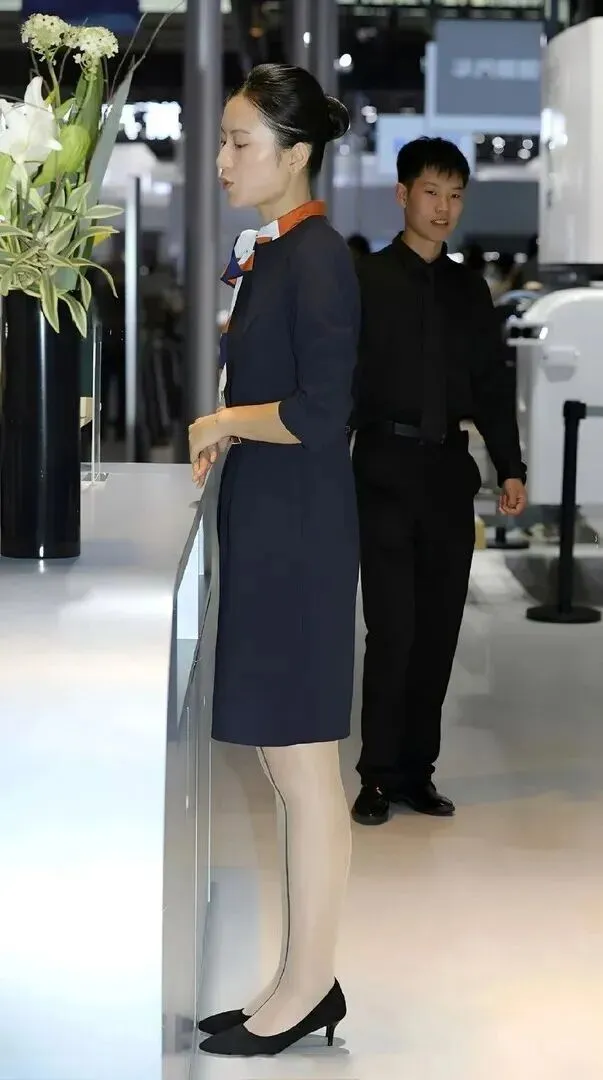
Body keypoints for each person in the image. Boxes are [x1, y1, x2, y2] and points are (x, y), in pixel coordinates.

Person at [187, 64, 359, 1056]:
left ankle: (308, 988)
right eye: (222, 139)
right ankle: (297, 982)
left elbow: (319, 412)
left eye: (239, 142)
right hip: (272, 527)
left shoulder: (318, 259)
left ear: (294, 155)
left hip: (298, 537)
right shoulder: (279, 251)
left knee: (303, 772)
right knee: (286, 766)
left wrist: (223, 420)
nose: (222, 159)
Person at [350, 137, 527, 827]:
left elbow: (491, 384)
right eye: (431, 192)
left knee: (437, 632)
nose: (443, 207)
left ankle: (416, 771)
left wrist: (510, 466)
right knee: (391, 629)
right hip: (383, 468)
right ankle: (376, 774)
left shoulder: (468, 289)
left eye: (455, 195)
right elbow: (342, 378)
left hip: (448, 473)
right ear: (403, 195)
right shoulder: (366, 280)